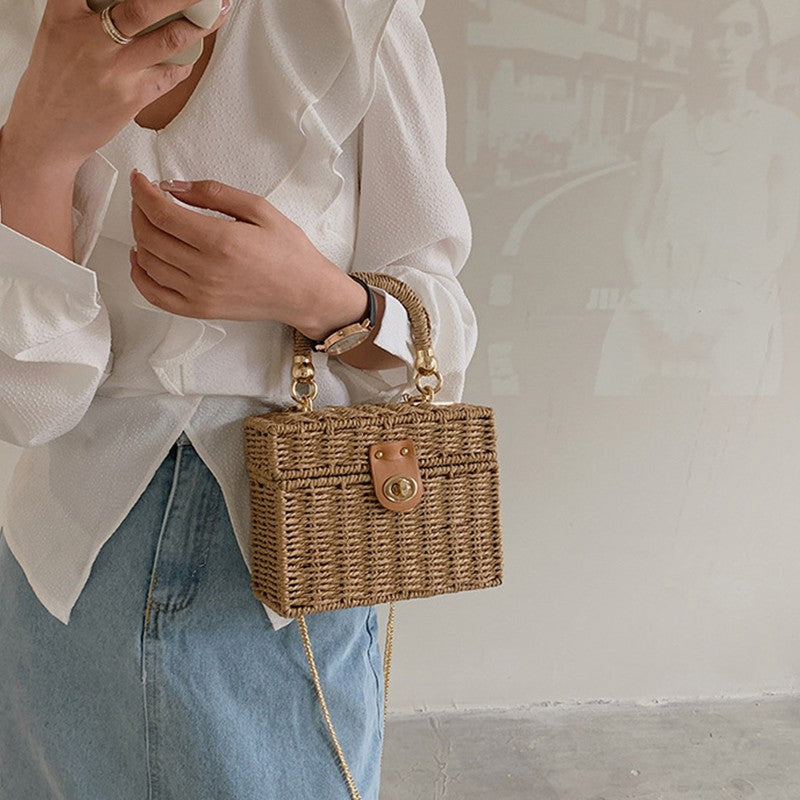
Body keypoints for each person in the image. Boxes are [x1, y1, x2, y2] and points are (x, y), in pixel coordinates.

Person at [0, 0, 478, 796]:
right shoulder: (19, 33)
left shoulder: (349, 25)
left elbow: (440, 340)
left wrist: (317, 296)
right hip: (65, 570)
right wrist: (39, 155)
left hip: (288, 573)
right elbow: (30, 404)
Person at [594, 0, 800, 396]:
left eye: (741, 31)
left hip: (739, 311)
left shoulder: (782, 130)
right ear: (700, 42)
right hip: (657, 307)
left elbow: (781, 236)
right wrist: (654, 303)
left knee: (731, 432)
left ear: (760, 41)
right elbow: (633, 232)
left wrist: (723, 308)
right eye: (716, 32)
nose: (727, 44)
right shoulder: (665, 132)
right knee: (621, 418)